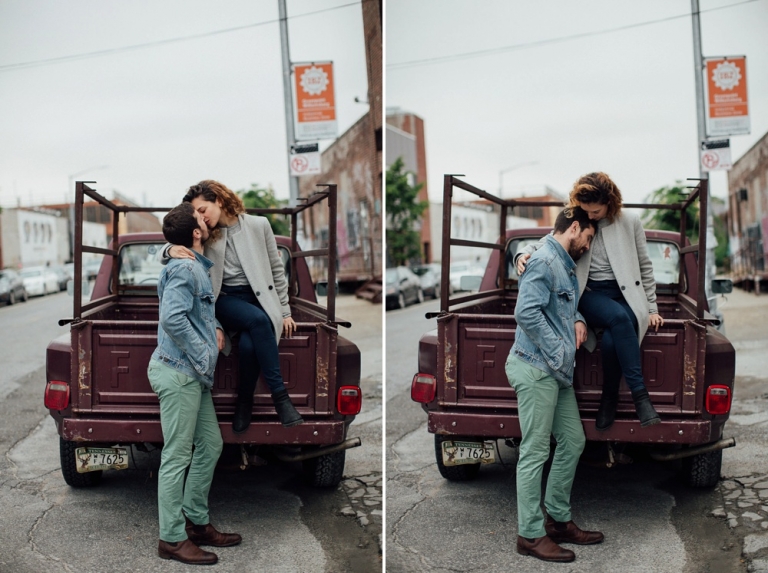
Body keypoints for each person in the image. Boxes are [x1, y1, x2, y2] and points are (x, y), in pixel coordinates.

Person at [517, 172, 663, 429]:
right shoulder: (579, 218)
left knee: (611, 339)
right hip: (589, 294)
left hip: (625, 294)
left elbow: (645, 266)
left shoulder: (630, 221)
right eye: (586, 210)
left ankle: (609, 398)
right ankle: (641, 397)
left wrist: (651, 307)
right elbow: (549, 241)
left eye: (595, 211)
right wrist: (524, 252)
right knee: (618, 318)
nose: (590, 216)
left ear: (610, 202)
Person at [166, 180, 303, 432]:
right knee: (259, 322)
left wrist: (284, 311)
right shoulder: (205, 233)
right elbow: (177, 234)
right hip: (225, 300)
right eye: (198, 215)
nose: (202, 218)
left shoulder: (259, 225)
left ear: (218, 199)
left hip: (259, 299)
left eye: (203, 210)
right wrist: (170, 249)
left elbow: (276, 270)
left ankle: (244, 402)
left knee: (251, 344)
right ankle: (281, 398)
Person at [506, 206, 603, 563]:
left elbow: (561, 304)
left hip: (555, 371)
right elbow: (526, 312)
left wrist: (577, 317)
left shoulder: (562, 262)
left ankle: (558, 520)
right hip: (535, 368)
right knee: (534, 452)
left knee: (573, 440)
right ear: (574, 227)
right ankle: (530, 535)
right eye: (588, 238)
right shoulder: (544, 261)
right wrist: (560, 348)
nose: (587, 246)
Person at [148, 202, 242, 565]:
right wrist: (203, 351)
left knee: (211, 445)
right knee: (176, 456)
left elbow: (200, 311)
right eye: (203, 219)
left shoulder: (192, 264)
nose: (208, 220)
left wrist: (214, 327)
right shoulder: (186, 268)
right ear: (197, 233)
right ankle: (171, 539)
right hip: (180, 372)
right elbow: (172, 318)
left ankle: (196, 522)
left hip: (191, 374)